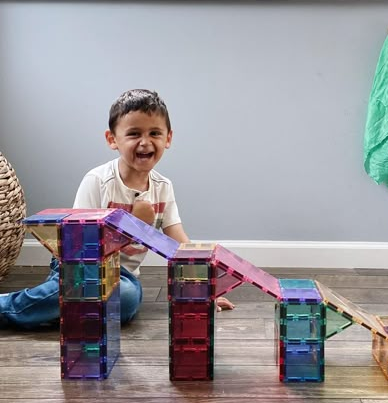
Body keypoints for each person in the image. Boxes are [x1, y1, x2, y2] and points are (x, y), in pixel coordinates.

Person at [0, 88, 234, 328]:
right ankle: (10, 307)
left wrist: (205, 290)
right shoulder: (98, 181)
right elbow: (75, 244)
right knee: (89, 288)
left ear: (168, 138)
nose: (145, 142)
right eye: (134, 134)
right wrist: (131, 223)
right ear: (113, 139)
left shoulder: (163, 187)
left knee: (128, 298)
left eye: (155, 133)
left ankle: (68, 310)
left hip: (121, 277)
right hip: (80, 266)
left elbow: (180, 245)